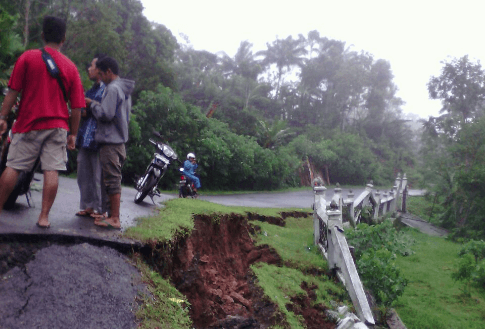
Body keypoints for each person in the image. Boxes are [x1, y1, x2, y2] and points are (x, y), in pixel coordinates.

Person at [0, 16, 85, 228]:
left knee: (13, 166)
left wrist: (2, 117)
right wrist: (73, 134)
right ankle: (44, 217)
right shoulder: (71, 68)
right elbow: (77, 107)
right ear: (63, 38)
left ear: (43, 35)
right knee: (51, 170)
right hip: (57, 126)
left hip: (28, 123)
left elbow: (12, 92)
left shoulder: (28, 58)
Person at [85, 57, 134, 229]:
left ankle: (115, 218)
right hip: (119, 141)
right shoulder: (123, 89)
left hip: (111, 142)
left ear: (108, 72)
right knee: (110, 179)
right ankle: (110, 215)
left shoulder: (112, 89)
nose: (100, 78)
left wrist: (92, 105)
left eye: (101, 74)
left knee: (112, 180)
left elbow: (106, 114)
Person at [75, 54, 108, 219]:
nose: (89, 69)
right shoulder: (92, 89)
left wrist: (90, 103)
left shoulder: (107, 88)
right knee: (83, 172)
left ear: (100, 69)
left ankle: (100, 208)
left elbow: (106, 112)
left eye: (92, 66)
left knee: (97, 175)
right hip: (85, 137)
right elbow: (86, 112)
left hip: (98, 138)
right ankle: (87, 205)